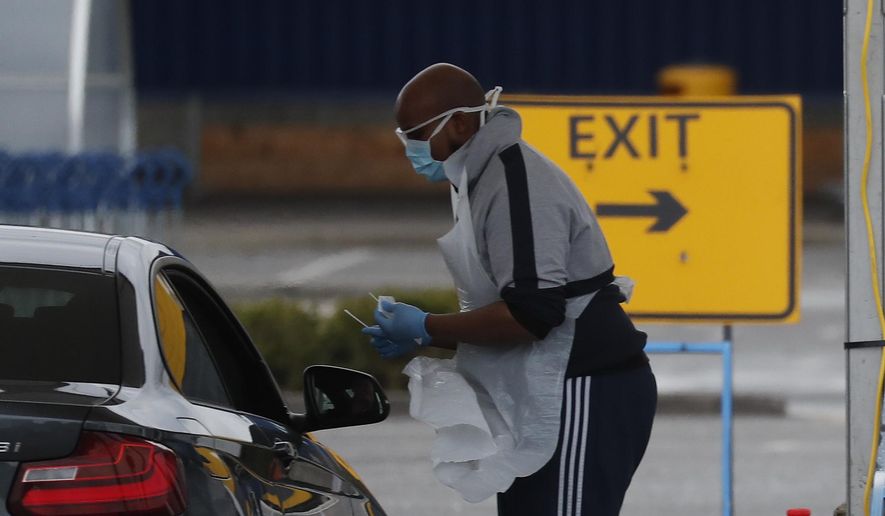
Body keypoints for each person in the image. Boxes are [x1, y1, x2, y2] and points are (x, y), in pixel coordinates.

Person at [362, 63, 657, 516]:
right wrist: (426, 333)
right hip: (548, 390)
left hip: (586, 387)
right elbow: (512, 306)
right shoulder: (477, 178)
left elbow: (533, 313)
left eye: (416, 136)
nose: (410, 149)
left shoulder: (513, 180)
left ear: (460, 125)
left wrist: (426, 326)